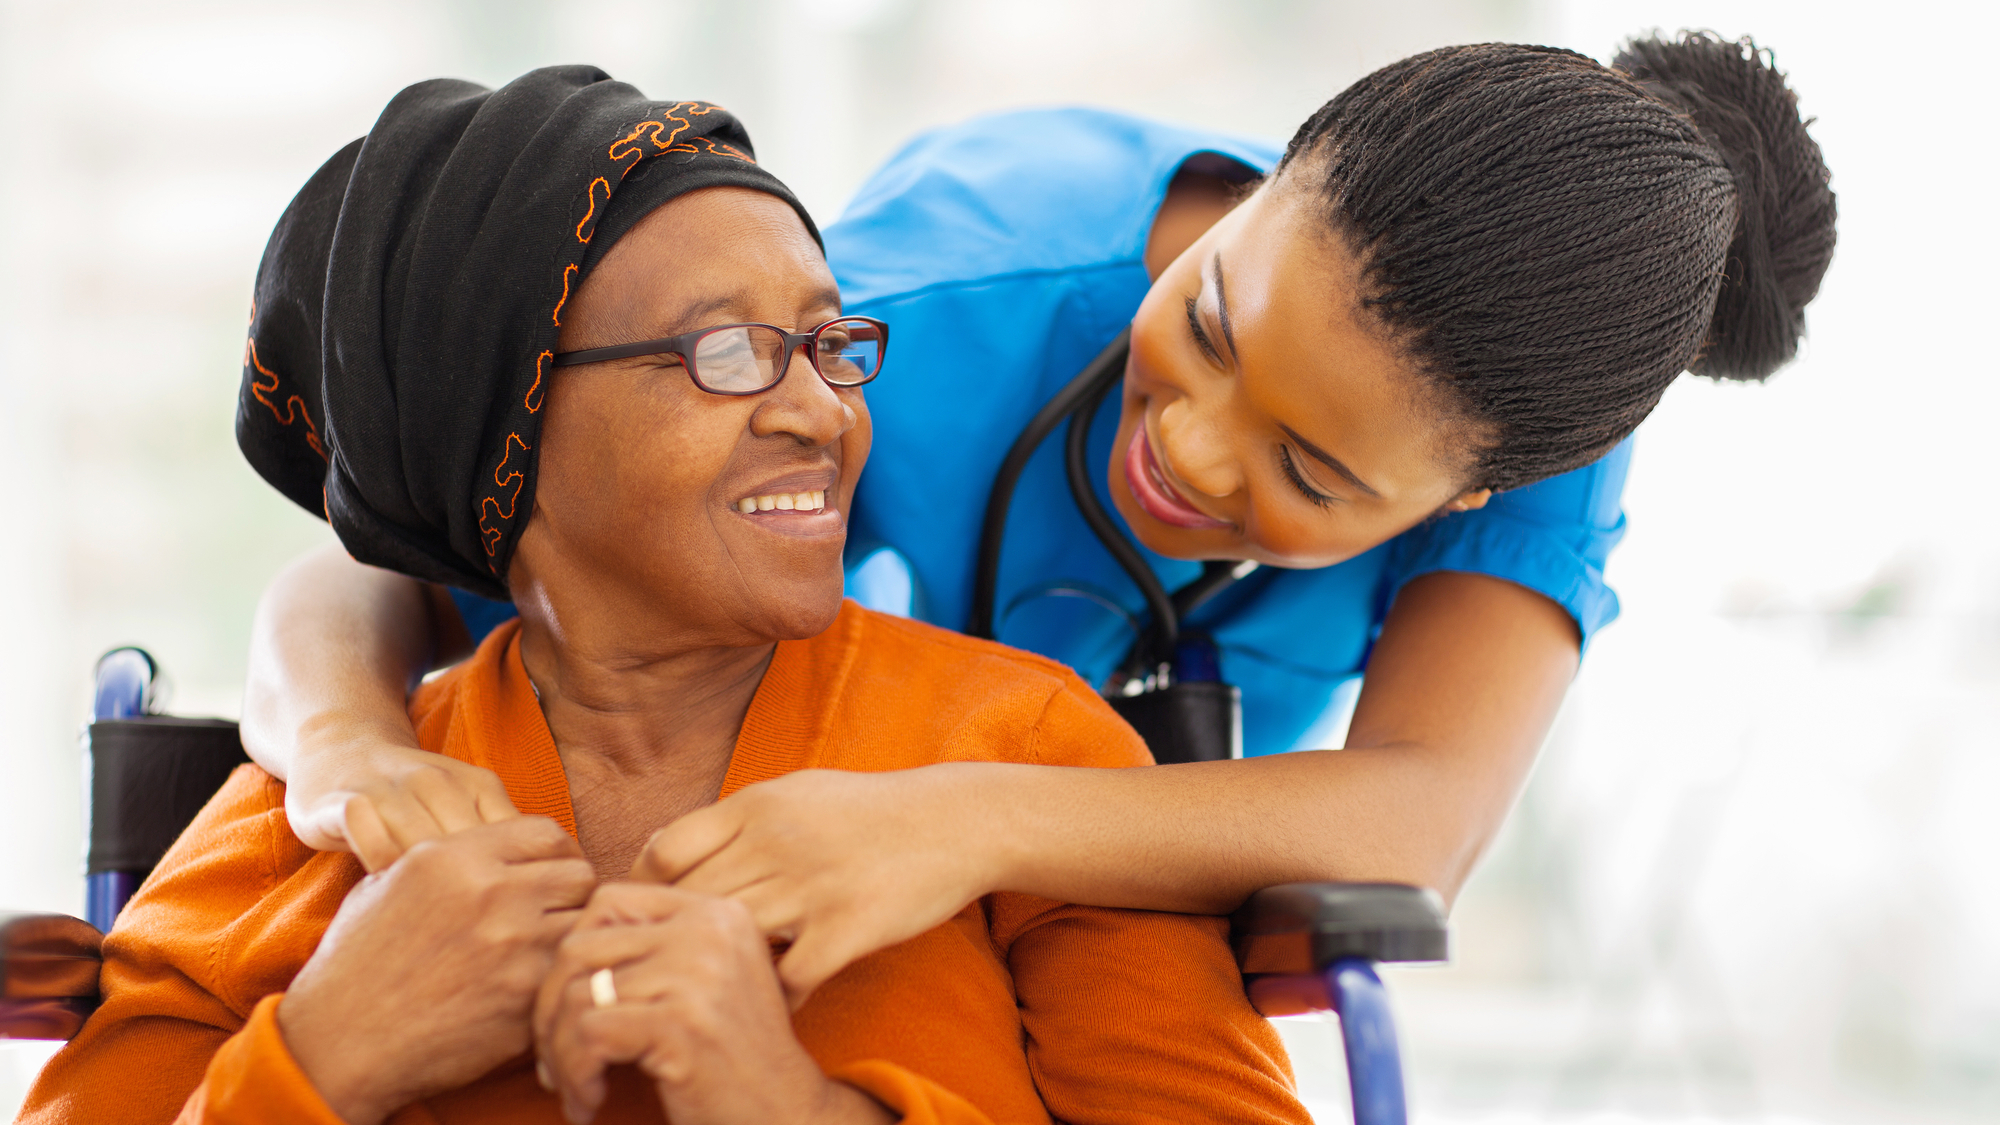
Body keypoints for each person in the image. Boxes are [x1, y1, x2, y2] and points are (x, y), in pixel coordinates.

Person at [239, 34, 1838, 1003]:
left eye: (1315, 475)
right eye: (1208, 323)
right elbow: (367, 571)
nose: (1196, 457)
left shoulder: (1526, 424)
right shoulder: (927, 306)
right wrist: (346, 748)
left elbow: (1419, 819)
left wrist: (958, 816)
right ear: (1269, 185)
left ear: (1471, 492)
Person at [17, 69, 1309, 1125]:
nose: (823, 409)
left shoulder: (1025, 753)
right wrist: (327, 1052)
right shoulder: (319, 815)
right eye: (727, 351)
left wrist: (787, 1104)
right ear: (508, 431)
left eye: (827, 340)